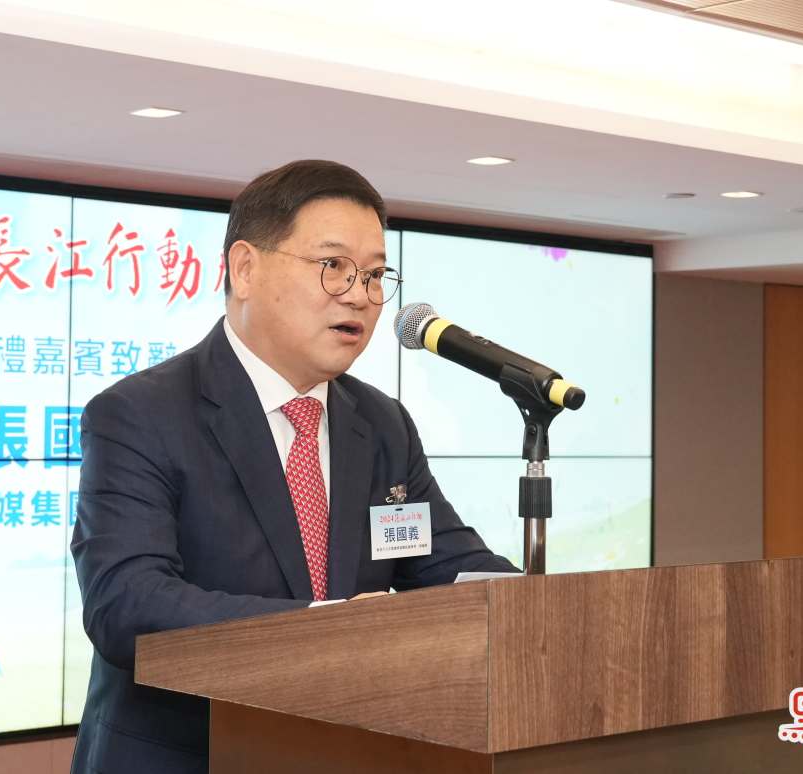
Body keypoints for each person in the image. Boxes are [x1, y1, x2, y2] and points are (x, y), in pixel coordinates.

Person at [69, 159, 518, 773]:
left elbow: (447, 566)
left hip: (345, 754)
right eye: (333, 266)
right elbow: (127, 605)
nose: (360, 295)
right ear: (245, 269)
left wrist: (532, 605)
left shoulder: (382, 424)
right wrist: (328, 628)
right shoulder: (140, 414)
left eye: (375, 275)